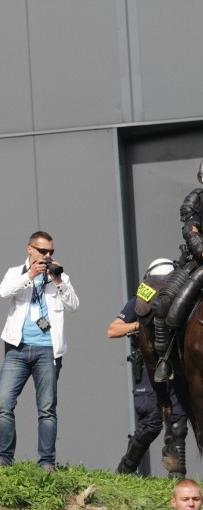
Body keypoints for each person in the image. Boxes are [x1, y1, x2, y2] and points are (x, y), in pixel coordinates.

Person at [0, 231, 79, 471]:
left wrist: (59, 280)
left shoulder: (59, 277)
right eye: (43, 251)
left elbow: (74, 305)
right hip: (17, 348)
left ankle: (46, 463)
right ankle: (4, 458)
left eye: (51, 251)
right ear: (29, 249)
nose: (48, 255)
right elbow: (3, 292)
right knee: (3, 401)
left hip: (48, 350)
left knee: (47, 409)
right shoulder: (15, 272)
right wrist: (30, 275)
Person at [108, 258, 187, 477]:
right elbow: (113, 330)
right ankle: (125, 470)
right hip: (147, 369)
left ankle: (177, 478)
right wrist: (141, 325)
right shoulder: (140, 301)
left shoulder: (182, 303)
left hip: (175, 367)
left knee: (179, 421)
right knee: (152, 422)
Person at [152, 166, 203, 382]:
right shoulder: (196, 199)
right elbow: (190, 229)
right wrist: (201, 249)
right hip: (198, 261)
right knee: (165, 302)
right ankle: (166, 358)